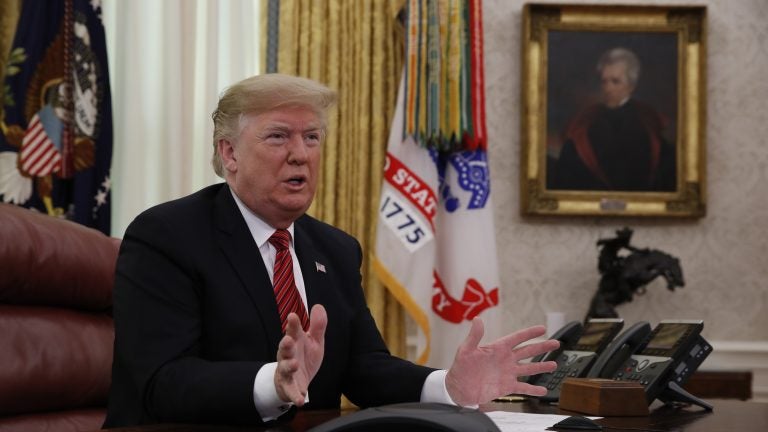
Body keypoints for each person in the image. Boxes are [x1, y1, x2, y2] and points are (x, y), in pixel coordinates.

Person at [103, 73, 559, 427]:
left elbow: (363, 368)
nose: (300, 154)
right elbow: (161, 382)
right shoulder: (167, 235)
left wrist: (447, 384)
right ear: (230, 154)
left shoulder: (335, 249)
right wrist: (272, 383)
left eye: (312, 137)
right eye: (278, 136)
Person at [550, 47, 676, 192]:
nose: (608, 89)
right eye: (604, 81)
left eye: (615, 82)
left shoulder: (647, 124)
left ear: (631, 86)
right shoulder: (587, 122)